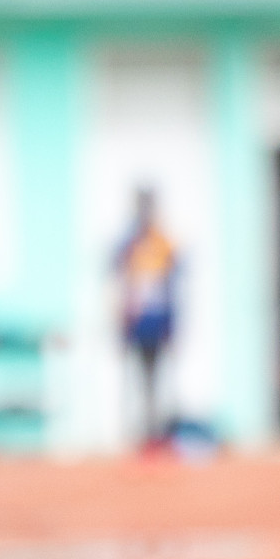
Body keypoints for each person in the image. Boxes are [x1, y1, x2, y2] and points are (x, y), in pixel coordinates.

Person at [113, 188, 179, 451]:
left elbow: (170, 286)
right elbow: (122, 285)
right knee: (136, 382)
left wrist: (172, 325)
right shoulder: (129, 244)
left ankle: (156, 435)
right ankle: (138, 436)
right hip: (136, 324)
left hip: (158, 323)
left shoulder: (163, 243)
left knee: (157, 382)